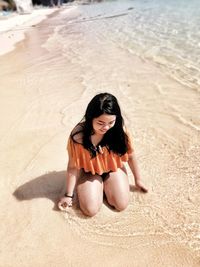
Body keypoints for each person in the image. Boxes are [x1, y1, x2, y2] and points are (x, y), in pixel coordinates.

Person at [58, 93, 148, 216]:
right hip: (89, 172)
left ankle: (107, 186)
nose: (106, 127)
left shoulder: (119, 131)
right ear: (90, 118)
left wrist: (138, 180)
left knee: (121, 205)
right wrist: (68, 195)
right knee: (90, 211)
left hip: (113, 169)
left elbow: (131, 156)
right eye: (100, 123)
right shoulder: (78, 137)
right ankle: (98, 186)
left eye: (111, 122)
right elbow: (73, 167)